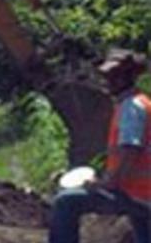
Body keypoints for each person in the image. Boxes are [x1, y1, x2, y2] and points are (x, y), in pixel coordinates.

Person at [49, 49, 151, 243]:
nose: (105, 82)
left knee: (65, 202)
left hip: (134, 194)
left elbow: (130, 152)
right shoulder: (141, 103)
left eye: (110, 77)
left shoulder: (131, 108)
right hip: (143, 193)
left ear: (124, 78)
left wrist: (106, 184)